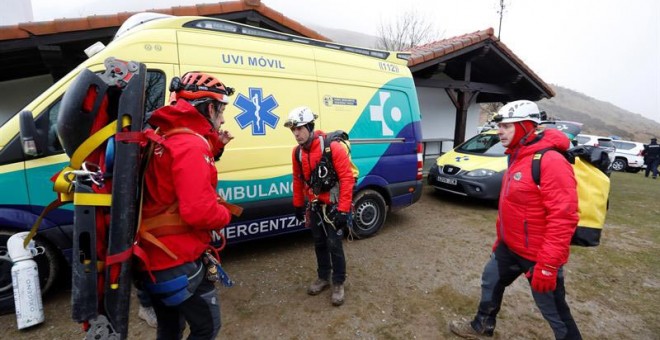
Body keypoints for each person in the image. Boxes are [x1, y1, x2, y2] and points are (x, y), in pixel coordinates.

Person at [450, 100, 582, 340]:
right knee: (490, 281)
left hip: (538, 255)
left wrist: (549, 265)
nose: (500, 130)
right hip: (509, 248)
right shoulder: (516, 156)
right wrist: (501, 240)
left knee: (554, 311)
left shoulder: (550, 161)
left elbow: (564, 217)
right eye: (501, 125)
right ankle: (482, 326)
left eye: (508, 126)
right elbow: (510, 206)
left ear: (526, 127)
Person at [137, 71, 235, 339]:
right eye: (221, 110)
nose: (223, 118)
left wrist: (214, 146)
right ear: (210, 107)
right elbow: (199, 212)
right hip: (176, 258)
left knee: (170, 328)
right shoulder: (191, 145)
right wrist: (224, 214)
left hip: (152, 259)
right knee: (206, 327)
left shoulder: (164, 134)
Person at [284, 106, 355, 306]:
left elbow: (347, 179)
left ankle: (339, 282)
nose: (296, 133)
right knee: (319, 243)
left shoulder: (333, 148)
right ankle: (324, 277)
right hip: (315, 206)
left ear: (310, 126)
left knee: (334, 244)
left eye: (299, 128)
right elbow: (298, 180)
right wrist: (298, 204)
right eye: (293, 129)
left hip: (333, 205)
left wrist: (343, 210)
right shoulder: (297, 153)